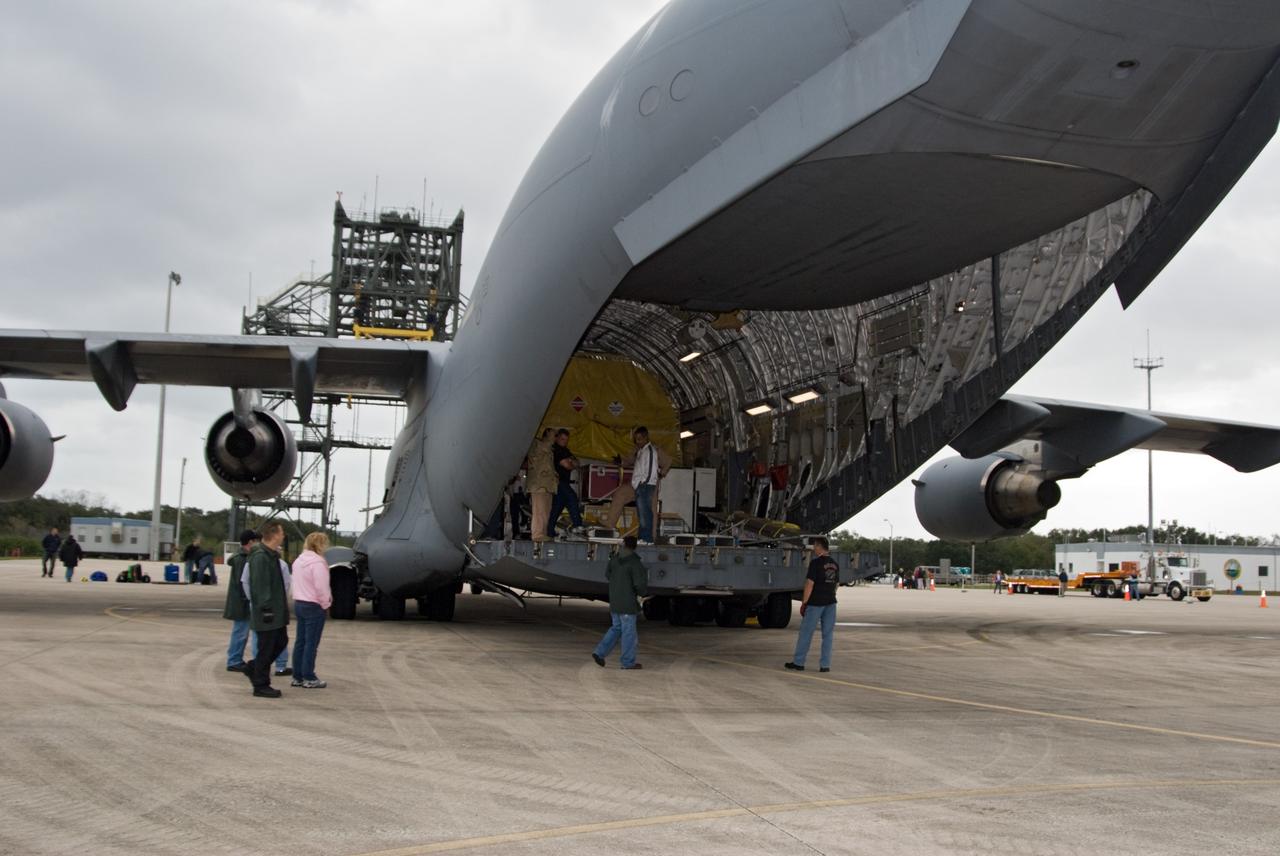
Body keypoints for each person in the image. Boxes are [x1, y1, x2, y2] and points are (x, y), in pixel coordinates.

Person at [245, 521, 290, 698]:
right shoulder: (261, 557)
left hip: (276, 611)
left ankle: (254, 668)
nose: (283, 535)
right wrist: (266, 609)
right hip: (268, 613)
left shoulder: (270, 555)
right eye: (282, 532)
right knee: (266, 647)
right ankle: (260, 684)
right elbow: (260, 585)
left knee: (280, 642)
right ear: (274, 534)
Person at [592, 535, 648, 670]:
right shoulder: (635, 563)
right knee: (629, 633)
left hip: (615, 601)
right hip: (628, 604)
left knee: (616, 628)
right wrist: (642, 593)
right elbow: (639, 585)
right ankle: (628, 662)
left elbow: (608, 575)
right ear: (635, 546)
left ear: (623, 545)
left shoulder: (614, 560)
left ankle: (599, 652)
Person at [605, 426, 672, 537]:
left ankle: (652, 537)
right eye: (635, 439)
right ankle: (609, 524)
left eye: (639, 439)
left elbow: (668, 461)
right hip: (636, 484)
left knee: (650, 511)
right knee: (619, 494)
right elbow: (629, 461)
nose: (637, 441)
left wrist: (661, 474)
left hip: (650, 485)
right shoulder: (637, 449)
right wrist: (620, 461)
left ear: (646, 437)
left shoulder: (654, 449)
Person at [785, 536, 838, 673]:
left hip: (816, 603)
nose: (814, 548)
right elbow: (836, 584)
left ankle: (799, 662)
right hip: (831, 603)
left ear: (820, 547)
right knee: (828, 635)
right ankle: (825, 665)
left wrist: (804, 602)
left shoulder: (815, 563)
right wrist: (830, 594)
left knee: (806, 633)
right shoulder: (834, 564)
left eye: (815, 546)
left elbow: (809, 584)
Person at [290, 532, 332, 689]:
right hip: (314, 605)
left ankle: (297, 675)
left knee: (300, 641)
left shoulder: (298, 561)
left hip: (299, 602)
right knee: (311, 643)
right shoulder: (318, 563)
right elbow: (322, 587)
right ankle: (309, 676)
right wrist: (326, 604)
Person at [222, 529, 259, 672]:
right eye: (256, 540)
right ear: (250, 542)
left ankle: (235, 659)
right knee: (240, 632)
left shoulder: (242, 557)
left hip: (240, 601)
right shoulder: (242, 559)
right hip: (241, 602)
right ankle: (234, 660)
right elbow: (242, 582)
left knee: (240, 631)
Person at [547, 428, 585, 538]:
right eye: (562, 439)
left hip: (563, 482)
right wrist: (571, 463)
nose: (564, 442)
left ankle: (549, 531)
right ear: (557, 438)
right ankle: (578, 524)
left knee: (557, 507)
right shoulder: (556, 449)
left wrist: (571, 463)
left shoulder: (566, 450)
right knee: (572, 497)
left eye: (566, 440)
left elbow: (577, 462)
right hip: (558, 481)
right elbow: (568, 465)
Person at [526, 429, 557, 542]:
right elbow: (544, 448)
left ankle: (543, 533)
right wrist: (549, 440)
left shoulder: (550, 449)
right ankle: (537, 534)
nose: (555, 438)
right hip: (538, 485)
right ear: (546, 435)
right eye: (554, 435)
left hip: (547, 485)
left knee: (545, 511)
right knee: (539, 511)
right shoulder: (537, 444)